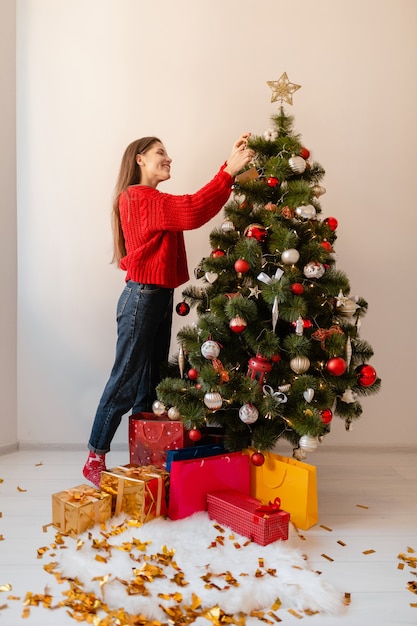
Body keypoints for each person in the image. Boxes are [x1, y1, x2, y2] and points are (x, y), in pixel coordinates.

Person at [83, 132, 254, 487]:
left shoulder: (152, 200)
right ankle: (95, 456)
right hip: (142, 297)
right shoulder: (138, 197)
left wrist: (230, 165)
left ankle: (143, 459)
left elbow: (190, 207)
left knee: (150, 382)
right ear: (139, 160)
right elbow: (191, 210)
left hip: (156, 297)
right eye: (160, 152)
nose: (168, 158)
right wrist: (228, 173)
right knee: (126, 380)